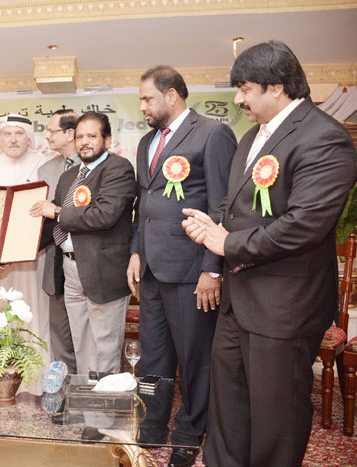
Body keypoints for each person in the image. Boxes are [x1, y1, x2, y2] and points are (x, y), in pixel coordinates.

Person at [181, 41, 357, 467]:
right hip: (239, 301)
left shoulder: (325, 138)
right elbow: (233, 202)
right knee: (230, 409)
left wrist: (226, 244)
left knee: (275, 418)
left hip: (285, 308)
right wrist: (209, 223)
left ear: (276, 86)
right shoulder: (251, 136)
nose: (238, 99)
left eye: (244, 88)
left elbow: (304, 225)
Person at [125, 66, 237, 466]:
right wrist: (137, 251)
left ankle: (190, 432)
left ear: (172, 96)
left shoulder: (212, 133)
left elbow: (223, 206)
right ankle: (152, 424)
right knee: (153, 357)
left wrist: (213, 269)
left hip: (192, 271)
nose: (143, 107)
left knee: (194, 357)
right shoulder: (145, 142)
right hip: (153, 268)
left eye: (147, 99)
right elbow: (145, 202)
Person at [30, 111, 135, 378]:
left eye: (92, 136)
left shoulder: (118, 168)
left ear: (107, 140)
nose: (84, 142)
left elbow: (104, 215)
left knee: (105, 349)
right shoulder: (69, 176)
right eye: (79, 137)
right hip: (70, 272)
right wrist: (14, 249)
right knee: (82, 346)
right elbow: (53, 226)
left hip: (103, 273)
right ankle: (89, 409)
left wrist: (56, 212)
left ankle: (106, 417)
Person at [0, 114, 49, 394]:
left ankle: (34, 382)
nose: (14, 139)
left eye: (19, 133)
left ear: (29, 137)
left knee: (33, 314)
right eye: (8, 134)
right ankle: (1, 381)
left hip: (32, 257)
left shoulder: (42, 163)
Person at [37, 109, 80, 374]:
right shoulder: (45, 169)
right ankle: (66, 395)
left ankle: (90, 394)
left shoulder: (97, 166)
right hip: (55, 263)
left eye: (52, 131)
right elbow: (37, 220)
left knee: (89, 339)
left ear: (69, 133)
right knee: (61, 337)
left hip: (88, 265)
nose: (48, 136)